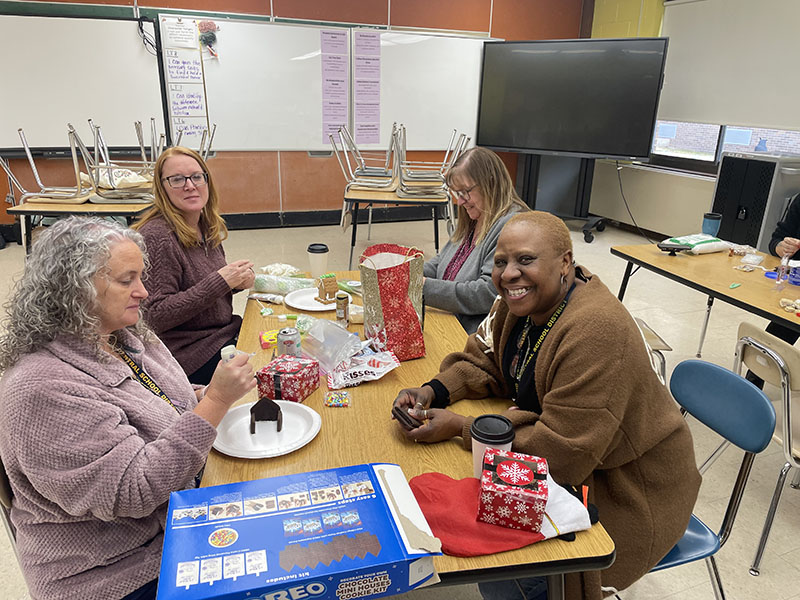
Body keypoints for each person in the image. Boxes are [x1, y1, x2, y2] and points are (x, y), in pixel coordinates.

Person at [392, 211, 701, 600]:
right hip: (581, 458)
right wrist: (434, 390)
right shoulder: (517, 302)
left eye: (525, 260)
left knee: (508, 570)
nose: (508, 275)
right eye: (501, 262)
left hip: (629, 489)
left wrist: (462, 428)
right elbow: (485, 359)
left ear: (566, 263)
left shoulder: (596, 330)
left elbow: (567, 454)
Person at [0, 217, 256, 600]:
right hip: (115, 572)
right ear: (74, 288)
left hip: (174, 520)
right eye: (127, 280)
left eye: (141, 277)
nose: (143, 292)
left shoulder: (120, 335)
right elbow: (134, 491)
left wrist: (202, 397)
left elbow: (167, 401)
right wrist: (217, 403)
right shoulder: (41, 388)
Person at [132, 146, 255, 385]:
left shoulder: (202, 224)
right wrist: (221, 281)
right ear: (163, 188)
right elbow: (154, 315)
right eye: (177, 179)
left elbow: (200, 285)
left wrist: (235, 282)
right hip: (192, 355)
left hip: (221, 335)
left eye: (196, 176)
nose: (190, 185)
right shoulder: (158, 236)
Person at [423, 147, 529, 334]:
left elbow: (488, 293)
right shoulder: (476, 217)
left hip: (472, 333)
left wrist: (424, 287)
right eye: (457, 193)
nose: (460, 202)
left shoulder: (513, 227)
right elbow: (442, 262)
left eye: (465, 192)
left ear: (490, 184)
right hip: (448, 315)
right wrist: (407, 271)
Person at [746, 192, 800, 388]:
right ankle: (754, 381)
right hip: (795, 286)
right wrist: (782, 247)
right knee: (783, 327)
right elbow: (776, 240)